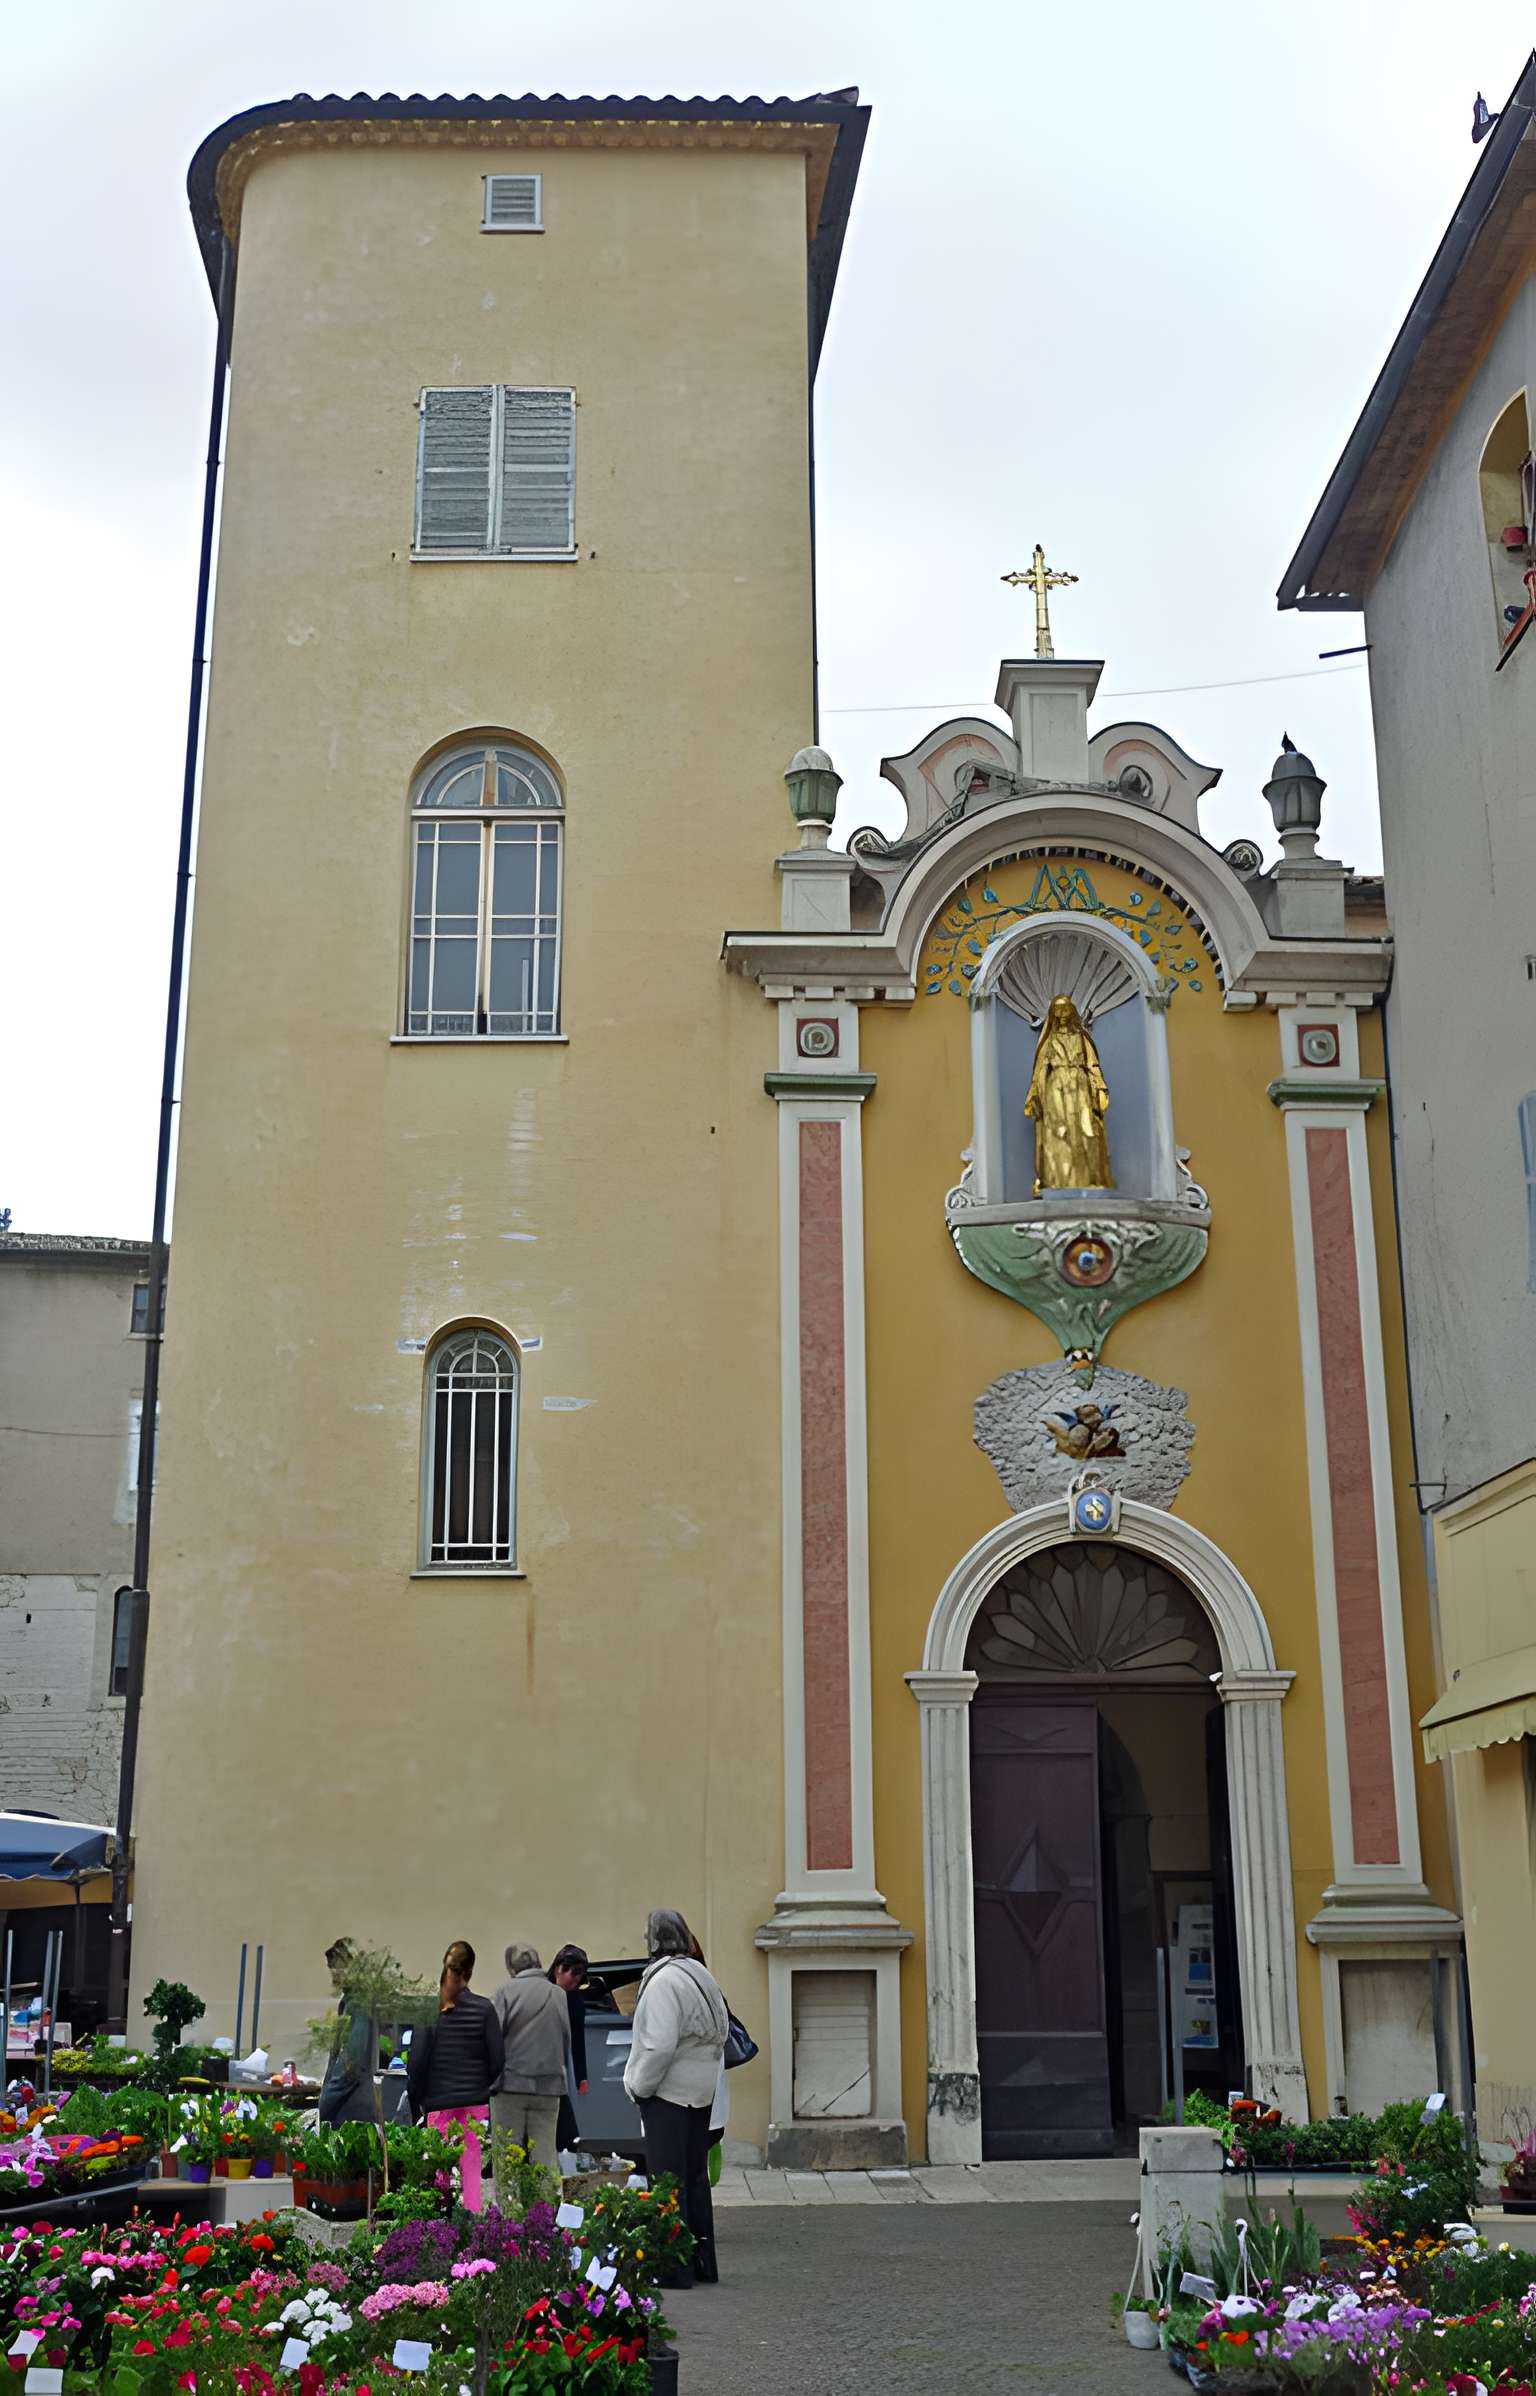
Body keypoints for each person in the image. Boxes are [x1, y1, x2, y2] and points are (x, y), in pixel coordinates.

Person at [622, 1909, 728, 2287]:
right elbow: (722, 2032)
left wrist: (637, 2085)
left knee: (667, 2184)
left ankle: (674, 2269)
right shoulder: (702, 1975)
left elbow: (658, 2047)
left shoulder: (665, 1981)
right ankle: (703, 2264)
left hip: (668, 2094)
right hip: (700, 2095)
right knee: (696, 2181)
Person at [406, 1940, 503, 2211]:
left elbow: (417, 2063)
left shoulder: (430, 2010)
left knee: (441, 2176)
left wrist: (419, 2101)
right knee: (471, 2178)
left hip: (439, 2105)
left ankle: (444, 2230)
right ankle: (470, 2234)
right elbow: (498, 2061)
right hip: (475, 2106)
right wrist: (482, 2085)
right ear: (470, 1972)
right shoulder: (484, 2009)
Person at [489, 1941, 570, 2198]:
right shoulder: (558, 1994)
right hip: (549, 2088)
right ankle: (545, 2214)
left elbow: (491, 2039)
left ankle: (510, 2216)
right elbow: (566, 2038)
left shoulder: (504, 1993)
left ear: (511, 1966)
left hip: (511, 2086)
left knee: (507, 2156)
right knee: (545, 2153)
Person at [317, 1937, 379, 2127]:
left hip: (351, 2111)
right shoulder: (353, 2000)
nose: (334, 1974)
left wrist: (325, 2104)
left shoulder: (358, 2002)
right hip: (352, 2107)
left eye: (338, 1967)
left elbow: (351, 2062)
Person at [549, 1945, 590, 2159]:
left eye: (580, 1977)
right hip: (538, 2069)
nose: (575, 1982)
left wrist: (582, 2077)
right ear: (559, 1969)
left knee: (567, 2133)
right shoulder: (543, 1993)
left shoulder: (574, 2001)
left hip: (558, 2073)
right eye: (573, 1974)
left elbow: (578, 2040)